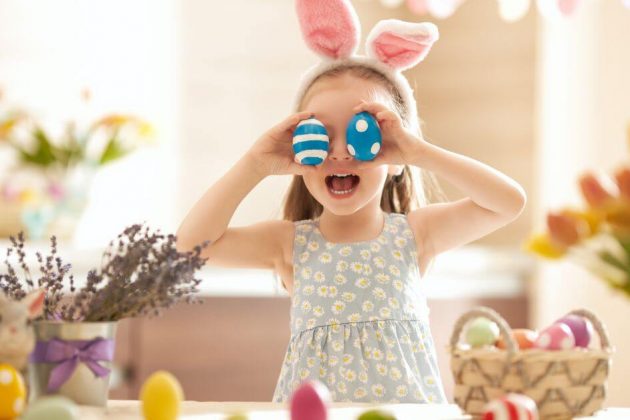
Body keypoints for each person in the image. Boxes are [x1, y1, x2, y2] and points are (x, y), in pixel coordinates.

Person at [176, 0, 526, 403]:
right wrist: (254, 164)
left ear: (394, 156)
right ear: (300, 153)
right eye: (321, 136)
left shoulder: (415, 234)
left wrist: (419, 153)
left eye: (362, 136)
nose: (340, 154)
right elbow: (190, 248)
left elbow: (507, 202)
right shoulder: (289, 244)